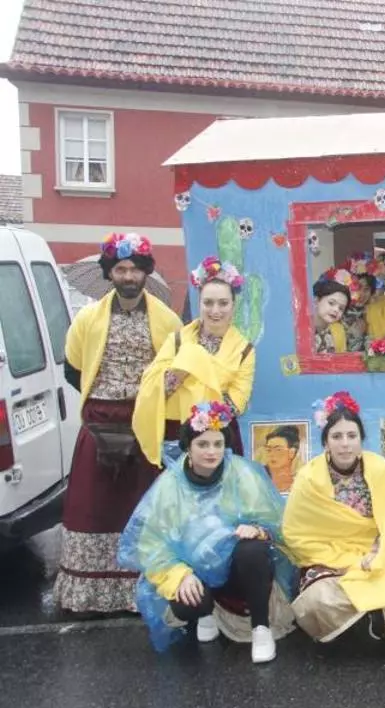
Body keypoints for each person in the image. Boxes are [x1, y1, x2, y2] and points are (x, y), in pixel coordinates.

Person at [57, 232, 182, 613]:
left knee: (141, 506)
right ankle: (90, 594)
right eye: (121, 269)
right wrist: (106, 397)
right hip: (99, 423)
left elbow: (176, 371)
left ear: (146, 273)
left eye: (135, 269)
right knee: (93, 508)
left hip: (145, 425)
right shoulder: (87, 318)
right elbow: (73, 369)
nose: (128, 276)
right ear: (109, 272)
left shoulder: (168, 320)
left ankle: (143, 590)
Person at [118, 402, 295, 661]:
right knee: (187, 603)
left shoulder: (242, 472)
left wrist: (258, 528)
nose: (211, 451)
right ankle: (206, 612)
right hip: (196, 571)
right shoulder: (170, 485)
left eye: (217, 444)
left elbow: (275, 522)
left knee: (254, 550)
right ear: (188, 447)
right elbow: (151, 545)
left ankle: (260, 629)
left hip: (236, 569)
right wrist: (179, 575)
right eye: (202, 444)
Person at [282, 392, 385, 644]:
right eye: (337, 437)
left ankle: (372, 623)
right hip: (328, 559)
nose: (345, 444)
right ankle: (366, 623)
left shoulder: (379, 469)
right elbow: (296, 534)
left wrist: (377, 552)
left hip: (375, 555)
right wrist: (344, 561)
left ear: (361, 440)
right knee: (320, 598)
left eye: (352, 436)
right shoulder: (309, 478)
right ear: (325, 442)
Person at [133, 257, 255, 467]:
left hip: (218, 437)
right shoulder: (177, 340)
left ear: (233, 305)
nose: (215, 311)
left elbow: (237, 403)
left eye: (223, 303)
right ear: (199, 303)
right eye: (208, 303)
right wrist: (184, 369)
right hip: (175, 435)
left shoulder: (244, 350)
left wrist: (202, 415)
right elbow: (153, 389)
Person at [311, 271, 353, 354]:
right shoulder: (299, 330)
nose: (336, 310)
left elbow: (341, 360)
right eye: (331, 303)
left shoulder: (339, 330)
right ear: (316, 301)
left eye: (341, 308)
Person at [263, 425, 301, 494]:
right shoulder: (259, 482)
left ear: (292, 452)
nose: (272, 454)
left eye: (278, 449)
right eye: (268, 450)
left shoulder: (300, 484)